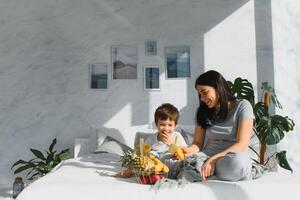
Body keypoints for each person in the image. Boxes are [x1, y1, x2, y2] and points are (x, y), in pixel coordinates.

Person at [160, 70, 254, 182]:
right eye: (199, 94)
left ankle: (200, 172)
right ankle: (206, 172)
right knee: (165, 160)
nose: (202, 98)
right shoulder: (202, 112)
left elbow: (242, 144)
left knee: (238, 164)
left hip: (229, 158)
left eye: (204, 92)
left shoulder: (243, 106)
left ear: (218, 88)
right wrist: (187, 151)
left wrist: (214, 159)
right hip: (205, 157)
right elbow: (198, 144)